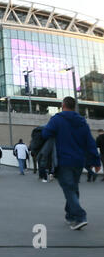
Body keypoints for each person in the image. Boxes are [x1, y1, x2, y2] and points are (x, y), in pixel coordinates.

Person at [42, 96, 101, 230]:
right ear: (74, 106)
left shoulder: (57, 119)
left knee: (69, 189)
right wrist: (96, 162)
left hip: (63, 161)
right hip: (79, 161)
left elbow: (45, 134)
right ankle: (70, 216)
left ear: (63, 105)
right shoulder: (82, 122)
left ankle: (80, 217)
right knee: (73, 187)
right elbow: (90, 142)